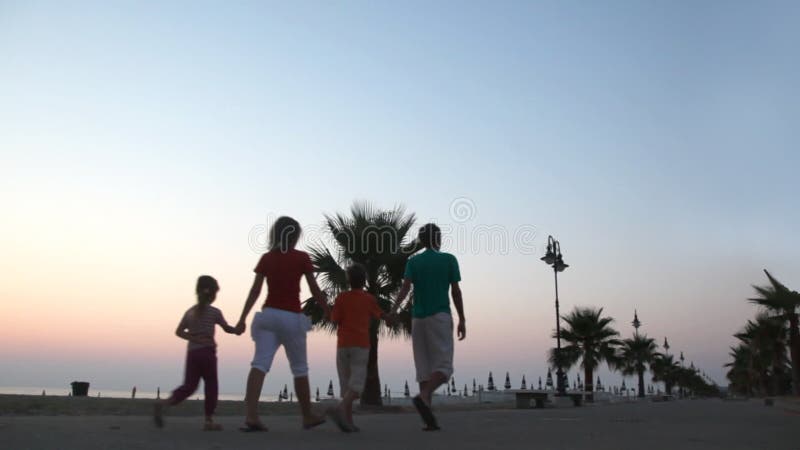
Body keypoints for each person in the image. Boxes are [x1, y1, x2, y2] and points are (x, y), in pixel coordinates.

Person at [235, 216, 330, 432]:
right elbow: (314, 289)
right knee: (299, 368)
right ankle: (307, 416)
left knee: (259, 364)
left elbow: (255, 291)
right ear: (296, 236)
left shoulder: (267, 258)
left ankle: (251, 416)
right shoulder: (302, 257)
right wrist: (328, 311)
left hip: (267, 316)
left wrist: (242, 319)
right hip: (291, 318)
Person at [391, 223, 466, 431]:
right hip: (439, 316)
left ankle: (428, 419)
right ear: (439, 239)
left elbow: (405, 288)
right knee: (443, 368)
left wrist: (394, 310)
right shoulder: (449, 260)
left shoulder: (413, 261)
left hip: (418, 319)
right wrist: (462, 319)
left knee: (424, 370)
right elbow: (456, 292)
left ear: (421, 241)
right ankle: (423, 397)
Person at [154, 275, 238, 431]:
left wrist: (193, 338)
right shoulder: (215, 312)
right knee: (211, 385)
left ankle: (164, 403)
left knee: (189, 386)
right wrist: (237, 330)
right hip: (207, 353)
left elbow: (178, 332)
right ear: (212, 294)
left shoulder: (190, 312)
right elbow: (227, 329)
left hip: (192, 353)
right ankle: (208, 420)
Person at [327, 264, 388, 432]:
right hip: (360, 345)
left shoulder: (341, 298)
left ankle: (348, 423)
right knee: (356, 386)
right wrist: (391, 318)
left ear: (348, 280)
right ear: (365, 280)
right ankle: (341, 410)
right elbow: (380, 314)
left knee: (347, 386)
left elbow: (334, 319)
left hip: (343, 345)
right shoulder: (369, 299)